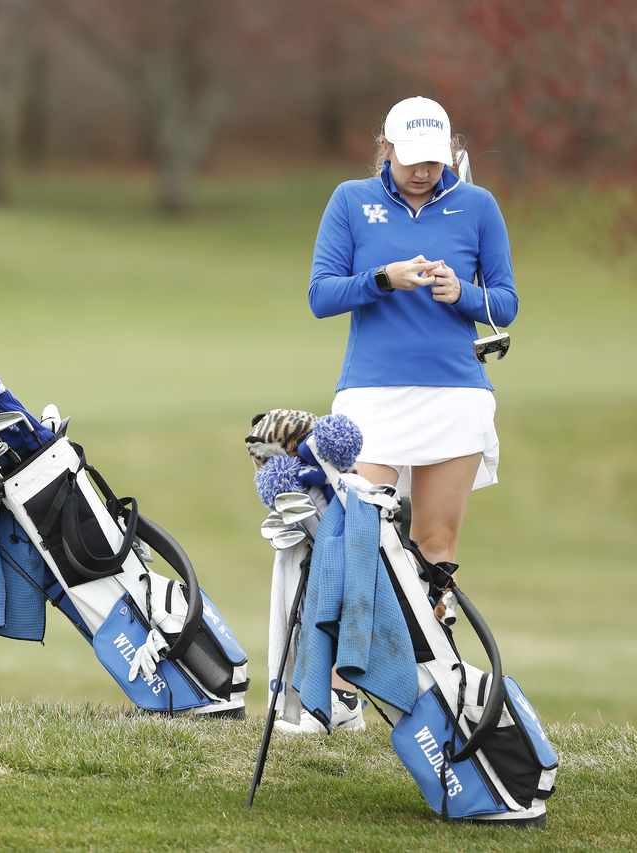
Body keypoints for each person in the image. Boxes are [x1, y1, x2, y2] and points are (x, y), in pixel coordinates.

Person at [280, 96, 518, 735]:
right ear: (385, 148)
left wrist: (461, 293)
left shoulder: (478, 206)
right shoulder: (351, 200)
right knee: (359, 543)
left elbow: (505, 303)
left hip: (456, 395)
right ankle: (340, 694)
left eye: (434, 162)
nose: (422, 173)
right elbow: (321, 295)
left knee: (435, 550)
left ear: (448, 152)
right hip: (373, 395)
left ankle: (432, 690)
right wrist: (382, 279)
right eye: (411, 160)